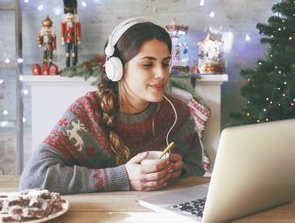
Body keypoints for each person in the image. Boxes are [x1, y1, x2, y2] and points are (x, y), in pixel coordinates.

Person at [20, 17, 205, 194]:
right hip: (98, 218)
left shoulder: (179, 114)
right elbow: (32, 178)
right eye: (147, 64)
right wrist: (122, 177)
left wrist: (180, 170)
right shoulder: (87, 112)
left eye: (165, 64)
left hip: (164, 217)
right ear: (116, 68)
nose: (161, 74)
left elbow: (197, 168)